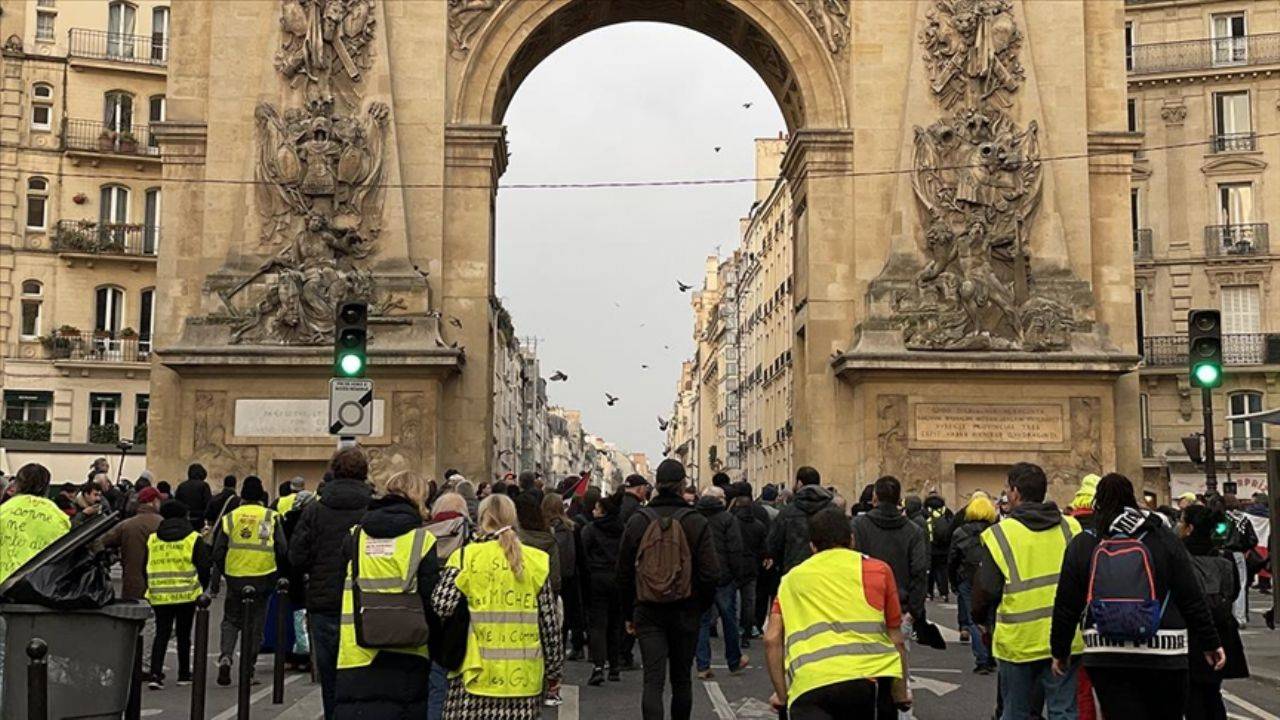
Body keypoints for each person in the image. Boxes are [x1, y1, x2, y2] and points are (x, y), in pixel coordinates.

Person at [1050, 474, 1224, 719]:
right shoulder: (1164, 538)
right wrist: (1210, 642)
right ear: (1132, 499)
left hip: (1106, 652)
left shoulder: (1085, 543)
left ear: (1096, 502)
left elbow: (1066, 604)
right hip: (1164, 652)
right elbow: (1191, 596)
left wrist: (1060, 649)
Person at [764, 508, 910, 718]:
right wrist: (900, 693)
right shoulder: (878, 571)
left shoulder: (791, 580)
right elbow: (896, 638)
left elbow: (771, 639)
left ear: (812, 546)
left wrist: (782, 694)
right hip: (868, 683)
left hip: (810, 685)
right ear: (851, 540)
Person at [431, 494, 564, 718]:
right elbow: (549, 626)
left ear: (481, 519)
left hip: (474, 675)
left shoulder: (465, 557)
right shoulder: (535, 560)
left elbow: (441, 605)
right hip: (523, 680)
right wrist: (554, 671)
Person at [972, 462, 1082, 720]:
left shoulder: (1000, 534)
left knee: (1016, 711)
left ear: (1016, 492)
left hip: (1019, 640)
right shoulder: (1071, 528)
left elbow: (986, 588)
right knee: (1064, 711)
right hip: (1065, 637)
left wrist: (979, 620)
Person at [332, 471, 440, 720]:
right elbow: (431, 601)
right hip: (409, 650)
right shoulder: (422, 541)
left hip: (356, 651)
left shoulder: (354, 536)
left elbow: (339, 587)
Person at [618, 459, 720, 720]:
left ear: (656, 485)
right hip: (686, 609)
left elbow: (624, 572)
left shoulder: (638, 520)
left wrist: (629, 613)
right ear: (682, 485)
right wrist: (700, 606)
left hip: (648, 609)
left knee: (652, 681)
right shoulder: (695, 521)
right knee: (682, 679)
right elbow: (710, 573)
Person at [288, 448, 372, 720]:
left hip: (326, 602)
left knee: (330, 677)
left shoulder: (315, 510)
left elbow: (296, 557)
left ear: (334, 471)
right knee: (364, 676)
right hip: (365, 602)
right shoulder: (373, 508)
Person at [849, 475, 928, 718]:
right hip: (901, 610)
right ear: (898, 499)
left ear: (874, 498)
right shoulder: (913, 531)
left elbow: (852, 565)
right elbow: (919, 572)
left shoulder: (858, 527)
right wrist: (914, 611)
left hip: (864, 609)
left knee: (862, 674)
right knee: (898, 674)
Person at [210, 475, 288, 687]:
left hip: (236, 577)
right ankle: (249, 669)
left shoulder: (231, 517)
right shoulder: (271, 517)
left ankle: (226, 655)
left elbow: (218, 551)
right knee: (256, 624)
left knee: (231, 620)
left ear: (243, 496)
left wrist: (226, 571)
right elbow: (282, 548)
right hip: (264, 577)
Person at [1180, 504, 1250, 720]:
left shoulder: (1180, 558)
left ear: (1190, 527)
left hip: (1192, 633)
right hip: (1222, 630)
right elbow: (1235, 591)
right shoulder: (1225, 558)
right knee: (1212, 692)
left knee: (1193, 696)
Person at [146, 499, 212, 690]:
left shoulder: (153, 538)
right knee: (184, 634)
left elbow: (145, 565)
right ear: (185, 516)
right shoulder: (193, 538)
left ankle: (155, 674)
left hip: (159, 593)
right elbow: (204, 566)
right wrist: (201, 587)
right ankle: (184, 673)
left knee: (162, 634)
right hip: (186, 593)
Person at [694, 485, 749, 679]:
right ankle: (734, 661)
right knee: (729, 619)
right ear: (719, 500)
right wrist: (737, 574)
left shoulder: (695, 517)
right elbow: (735, 548)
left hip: (700, 576)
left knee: (701, 621)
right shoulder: (727, 519)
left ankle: (702, 665)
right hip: (723, 575)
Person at [948, 493, 997, 674]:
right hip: (990, 578)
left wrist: (953, 581)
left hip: (967, 578)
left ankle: (982, 659)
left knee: (973, 619)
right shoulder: (997, 531)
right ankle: (991, 655)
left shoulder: (960, 533)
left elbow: (953, 559)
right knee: (991, 618)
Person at [582, 491, 626, 685]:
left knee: (598, 625)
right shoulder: (622, 529)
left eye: (597, 509)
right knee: (615, 624)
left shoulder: (590, 530)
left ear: (604, 512)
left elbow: (583, 555)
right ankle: (615, 667)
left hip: (596, 578)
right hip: (617, 579)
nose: (593, 511)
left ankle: (598, 666)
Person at [0, 463, 70, 583]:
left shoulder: (4, 510)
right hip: (41, 585)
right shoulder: (58, 515)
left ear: (17, 484)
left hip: (4, 583)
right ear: (47, 487)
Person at [767, 466, 833, 575]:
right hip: (827, 571)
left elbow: (774, 543)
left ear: (799, 484)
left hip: (795, 571)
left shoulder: (787, 512)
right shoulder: (833, 510)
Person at [102, 486, 164, 602]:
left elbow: (103, 541)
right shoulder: (162, 524)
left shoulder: (127, 525)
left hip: (132, 585)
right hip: (158, 584)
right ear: (154, 501)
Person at [544, 492, 585, 663]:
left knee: (554, 613)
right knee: (572, 612)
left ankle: (556, 647)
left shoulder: (545, 529)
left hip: (552, 575)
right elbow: (580, 555)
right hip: (571, 576)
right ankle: (577, 646)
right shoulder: (572, 527)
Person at [732, 493, 767, 646]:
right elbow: (763, 548)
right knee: (749, 602)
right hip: (752, 565)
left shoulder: (732, 523)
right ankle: (746, 632)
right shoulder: (759, 525)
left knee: (733, 601)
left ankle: (733, 631)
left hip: (734, 565)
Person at [515, 491, 562, 595]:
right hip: (543, 595)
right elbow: (555, 578)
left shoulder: (511, 540)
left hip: (516, 595)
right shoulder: (548, 538)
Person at [923, 493, 953, 602]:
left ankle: (929, 593)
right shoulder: (946, 512)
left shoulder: (925, 512)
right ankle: (944, 593)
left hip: (930, 547)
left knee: (930, 571)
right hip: (944, 548)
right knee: (943, 571)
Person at [175, 464, 212, 529]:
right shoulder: (204, 485)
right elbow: (208, 503)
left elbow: (177, 502)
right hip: (199, 519)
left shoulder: (181, 486)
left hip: (184, 519)